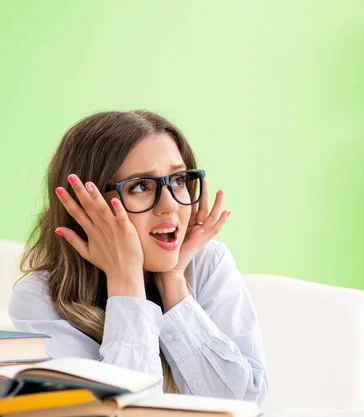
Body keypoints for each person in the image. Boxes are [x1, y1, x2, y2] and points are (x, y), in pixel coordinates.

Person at [8, 110, 268, 404]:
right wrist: (126, 281)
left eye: (179, 179)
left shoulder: (206, 263)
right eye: (141, 186)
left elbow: (244, 402)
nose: (170, 205)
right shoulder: (40, 298)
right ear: (85, 207)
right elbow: (121, 411)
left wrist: (173, 281)